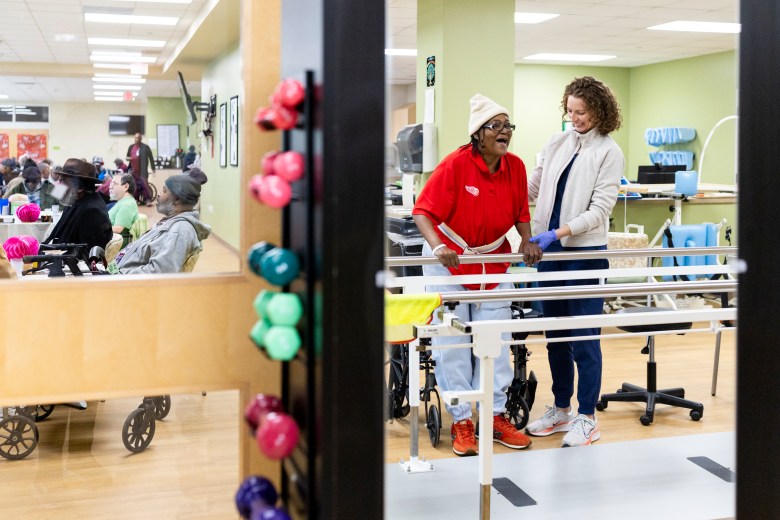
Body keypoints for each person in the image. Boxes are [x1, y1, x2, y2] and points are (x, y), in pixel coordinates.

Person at [411, 94, 543, 456]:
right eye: (496, 126)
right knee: (452, 341)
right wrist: (439, 248)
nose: (505, 132)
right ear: (478, 133)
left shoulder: (514, 166)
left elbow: (520, 210)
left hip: (493, 258)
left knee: (494, 340)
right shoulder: (455, 165)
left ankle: (495, 414)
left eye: (508, 126)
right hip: (450, 257)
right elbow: (422, 211)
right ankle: (461, 419)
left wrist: (527, 240)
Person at [524, 76, 625, 447]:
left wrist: (561, 232)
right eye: (569, 111)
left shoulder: (609, 152)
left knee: (584, 338)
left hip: (583, 255)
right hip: (548, 255)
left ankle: (587, 416)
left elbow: (600, 211)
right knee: (555, 338)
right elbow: (533, 187)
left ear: (599, 111)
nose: (574, 118)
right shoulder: (556, 142)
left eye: (581, 112)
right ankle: (562, 409)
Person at [115, 175, 211, 274]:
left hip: (124, 281)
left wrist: (122, 274)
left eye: (164, 191)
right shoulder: (171, 221)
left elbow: (161, 272)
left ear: (177, 199)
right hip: (118, 271)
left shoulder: (179, 231)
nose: (158, 194)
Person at [44, 158, 112, 253]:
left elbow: (90, 254)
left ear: (79, 188)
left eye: (63, 181)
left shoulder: (92, 212)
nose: (58, 185)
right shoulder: (74, 200)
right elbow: (56, 236)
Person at [108, 173, 139, 247]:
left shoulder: (127, 205)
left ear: (126, 187)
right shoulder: (123, 202)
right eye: (110, 184)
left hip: (114, 249)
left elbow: (118, 229)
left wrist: (97, 229)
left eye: (114, 184)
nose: (110, 187)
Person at [126, 132, 156, 206]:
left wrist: (153, 168)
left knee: (144, 184)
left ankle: (148, 199)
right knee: (134, 186)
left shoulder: (145, 147)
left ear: (141, 138)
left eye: (138, 138)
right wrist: (129, 158)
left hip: (142, 170)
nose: (136, 139)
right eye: (135, 138)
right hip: (133, 170)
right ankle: (135, 200)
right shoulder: (131, 147)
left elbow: (151, 158)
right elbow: (127, 157)